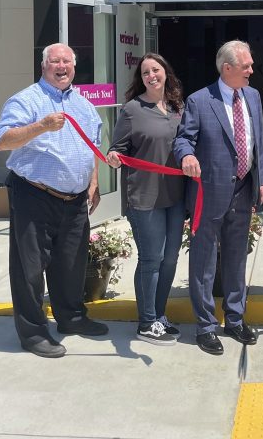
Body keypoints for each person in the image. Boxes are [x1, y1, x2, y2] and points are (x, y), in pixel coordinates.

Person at [0, 43, 108, 358]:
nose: (61, 66)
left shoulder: (83, 104)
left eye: (67, 61)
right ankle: (33, 333)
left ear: (74, 67)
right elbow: (1, 140)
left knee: (71, 263)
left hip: (74, 199)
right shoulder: (27, 100)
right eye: (55, 61)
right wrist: (40, 126)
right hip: (34, 194)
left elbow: (93, 148)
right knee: (29, 267)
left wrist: (93, 183)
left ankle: (71, 318)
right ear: (43, 66)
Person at [173, 40, 263, 355]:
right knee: (203, 262)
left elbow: (259, 143)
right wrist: (186, 156)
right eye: (246, 67)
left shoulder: (252, 96)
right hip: (208, 193)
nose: (252, 71)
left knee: (236, 258)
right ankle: (206, 327)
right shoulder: (200, 101)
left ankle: (235, 319)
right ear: (227, 68)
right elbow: (184, 139)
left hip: (243, 191)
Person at [105, 53, 185, 346]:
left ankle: (159, 316)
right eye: (146, 72)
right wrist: (113, 158)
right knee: (152, 259)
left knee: (170, 259)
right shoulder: (132, 109)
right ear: (141, 78)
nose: (152, 75)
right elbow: (117, 149)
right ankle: (146, 322)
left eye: (156, 70)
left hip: (175, 196)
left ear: (166, 73)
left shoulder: (178, 107)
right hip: (145, 197)